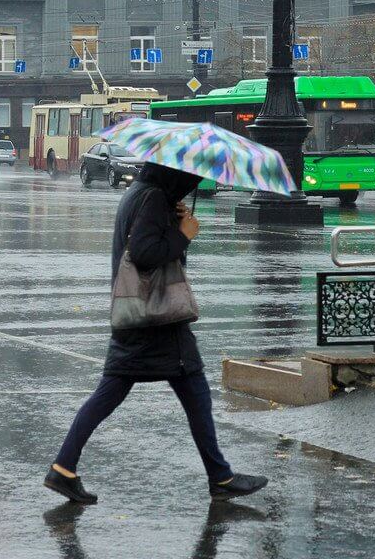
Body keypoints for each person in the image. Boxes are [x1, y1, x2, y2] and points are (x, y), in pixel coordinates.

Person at [45, 162, 268, 504]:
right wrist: (184, 233)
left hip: (141, 316)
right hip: (157, 318)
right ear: (173, 174)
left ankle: (63, 468)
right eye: (189, 177)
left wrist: (174, 222)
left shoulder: (140, 193)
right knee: (189, 391)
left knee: (132, 392)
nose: (191, 183)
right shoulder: (151, 198)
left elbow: (148, 247)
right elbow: (146, 254)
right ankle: (220, 478)